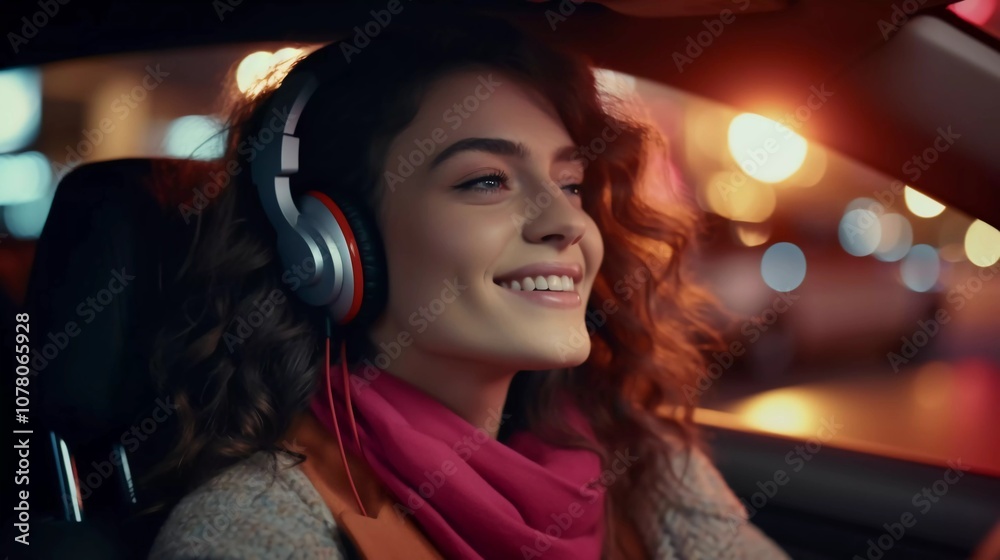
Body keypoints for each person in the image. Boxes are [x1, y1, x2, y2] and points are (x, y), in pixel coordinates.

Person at [144, 11, 789, 560]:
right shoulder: (256, 525)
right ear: (331, 247)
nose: (567, 221)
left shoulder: (635, 456)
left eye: (570, 184)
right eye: (485, 181)